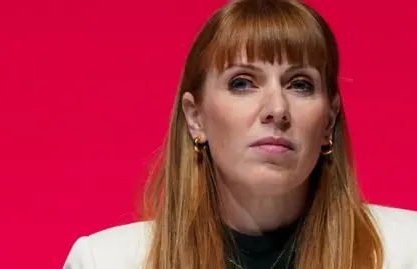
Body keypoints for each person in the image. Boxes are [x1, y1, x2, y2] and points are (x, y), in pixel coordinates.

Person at [62, 0, 417, 268]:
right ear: (195, 118)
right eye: (242, 83)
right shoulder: (105, 261)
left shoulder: (408, 250)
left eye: (300, 84)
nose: (277, 109)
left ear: (328, 121)